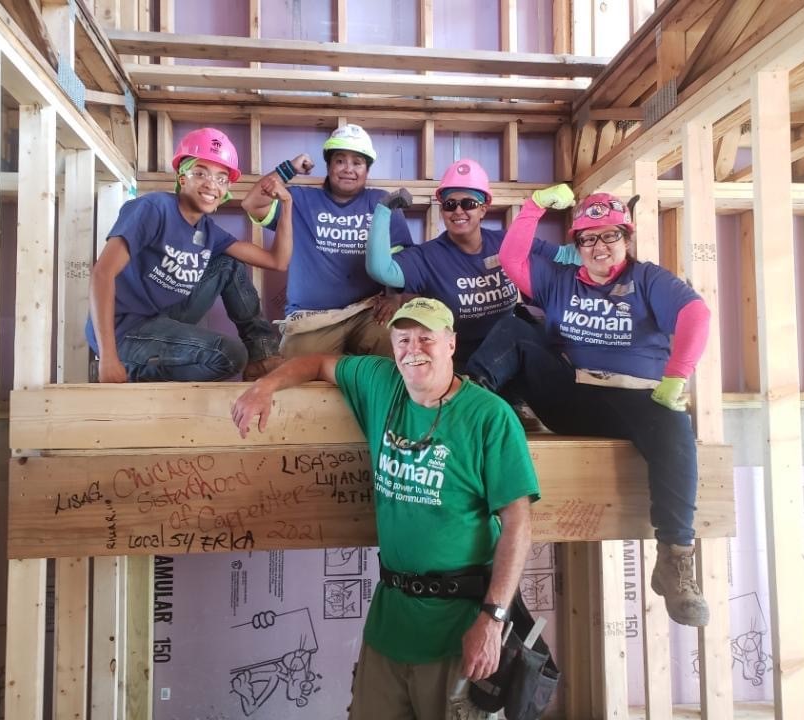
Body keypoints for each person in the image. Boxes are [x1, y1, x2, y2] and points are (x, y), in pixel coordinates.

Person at [231, 297, 539, 719]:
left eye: (426, 339)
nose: (414, 349)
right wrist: (265, 386)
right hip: (390, 622)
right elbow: (318, 363)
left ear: (451, 343)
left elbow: (518, 523)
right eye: (404, 338)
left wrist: (492, 620)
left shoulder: (489, 417)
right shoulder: (381, 383)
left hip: (459, 627)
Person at [465, 188, 712, 627]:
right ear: (576, 246)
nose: (600, 247)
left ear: (626, 238)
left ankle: (675, 560)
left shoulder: (649, 279)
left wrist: (677, 375)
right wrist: (535, 206)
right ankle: (467, 408)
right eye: (588, 239)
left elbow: (696, 314)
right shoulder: (561, 280)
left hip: (638, 399)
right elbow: (512, 258)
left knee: (677, 433)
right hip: (572, 395)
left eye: (609, 236)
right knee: (516, 327)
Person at [88, 127, 290, 383]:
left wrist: (287, 204)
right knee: (229, 355)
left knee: (227, 263)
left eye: (221, 178)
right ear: (183, 178)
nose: (211, 184)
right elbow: (102, 274)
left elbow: (277, 261)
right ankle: (134, 371)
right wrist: (108, 357)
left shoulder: (208, 231)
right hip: (125, 331)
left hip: (162, 317)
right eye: (200, 173)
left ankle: (262, 357)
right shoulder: (153, 209)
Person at [365, 158, 578, 367]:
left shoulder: (507, 243)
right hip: (460, 357)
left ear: (483, 209)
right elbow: (381, 270)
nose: (458, 211)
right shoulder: (428, 257)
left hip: (509, 348)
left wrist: (597, 231)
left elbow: (565, 256)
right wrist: (384, 211)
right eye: (450, 205)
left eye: (468, 204)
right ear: (443, 211)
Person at [241, 124, 414, 358]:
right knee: (293, 376)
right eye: (340, 160)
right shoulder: (300, 200)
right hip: (312, 318)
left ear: (367, 170)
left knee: (397, 353)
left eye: (357, 163)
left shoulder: (381, 202)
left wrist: (394, 298)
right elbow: (252, 203)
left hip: (367, 312)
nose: (348, 169)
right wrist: (288, 169)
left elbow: (400, 259)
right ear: (329, 165)